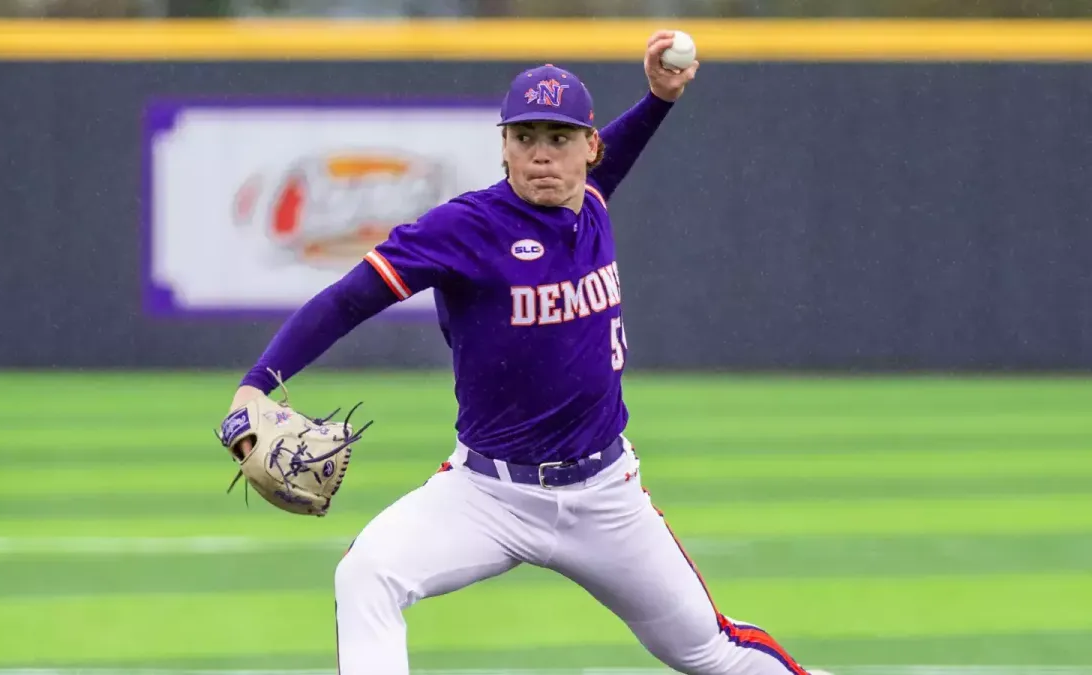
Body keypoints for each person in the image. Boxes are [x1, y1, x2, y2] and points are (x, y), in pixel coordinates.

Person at [226, 30, 823, 675]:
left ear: (590, 148)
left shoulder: (592, 198)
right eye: (525, 137)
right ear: (504, 146)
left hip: (606, 497)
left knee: (708, 650)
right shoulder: (465, 229)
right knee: (367, 575)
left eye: (559, 138)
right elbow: (347, 301)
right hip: (487, 495)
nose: (542, 155)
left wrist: (659, 99)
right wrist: (256, 384)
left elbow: (619, 150)